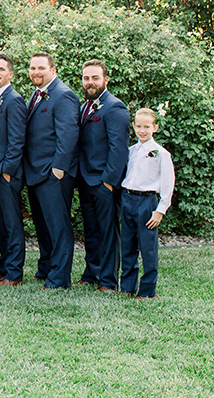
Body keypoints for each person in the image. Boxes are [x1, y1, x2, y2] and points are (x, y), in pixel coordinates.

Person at [23, 52, 79, 289]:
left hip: (52, 174)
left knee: (58, 227)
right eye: (33, 68)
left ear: (53, 70)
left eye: (41, 68)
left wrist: (58, 169)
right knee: (43, 225)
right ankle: (45, 268)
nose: (36, 72)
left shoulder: (63, 95)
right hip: (36, 172)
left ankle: (59, 278)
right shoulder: (36, 95)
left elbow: (68, 136)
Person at [77, 59, 129, 292]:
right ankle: (91, 273)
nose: (90, 82)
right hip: (85, 179)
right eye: (86, 78)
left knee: (108, 233)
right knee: (91, 231)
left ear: (105, 80)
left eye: (95, 78)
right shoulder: (85, 107)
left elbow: (119, 149)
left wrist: (108, 182)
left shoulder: (115, 107)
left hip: (103, 182)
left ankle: (108, 281)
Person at [120, 108, 175, 299]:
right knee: (127, 245)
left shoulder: (161, 154)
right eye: (139, 126)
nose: (142, 130)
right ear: (133, 126)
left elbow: (168, 184)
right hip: (127, 199)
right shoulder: (130, 151)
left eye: (147, 127)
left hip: (147, 202)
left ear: (155, 128)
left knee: (147, 248)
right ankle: (127, 287)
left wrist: (160, 210)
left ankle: (147, 290)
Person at [0, 54, 27, 286]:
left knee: (11, 223)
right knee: (0, 223)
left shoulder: (14, 100)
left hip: (6, 172)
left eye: (1, 69)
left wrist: (7, 170)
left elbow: (17, 139)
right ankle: (4, 265)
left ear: (10, 74)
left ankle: (14, 273)